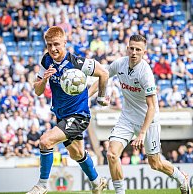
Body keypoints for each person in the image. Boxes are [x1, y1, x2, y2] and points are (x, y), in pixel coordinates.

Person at [89, 35, 191, 194]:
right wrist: (86, 96)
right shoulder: (120, 63)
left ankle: (181, 178)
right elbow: (103, 75)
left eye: (138, 50)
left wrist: (142, 134)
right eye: (132, 48)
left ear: (144, 52)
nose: (134, 52)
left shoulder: (146, 73)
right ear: (127, 48)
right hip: (127, 118)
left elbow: (152, 107)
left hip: (148, 121)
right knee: (111, 154)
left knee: (155, 163)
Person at [27, 26, 110, 194]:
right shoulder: (46, 61)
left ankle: (42, 185)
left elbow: (104, 73)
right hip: (62, 115)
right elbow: (37, 91)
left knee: (45, 141)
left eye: (56, 44)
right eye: (49, 45)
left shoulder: (77, 63)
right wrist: (44, 79)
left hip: (79, 116)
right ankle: (97, 181)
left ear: (65, 42)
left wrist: (101, 97)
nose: (52, 49)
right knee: (77, 154)